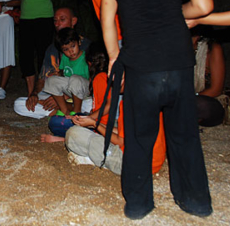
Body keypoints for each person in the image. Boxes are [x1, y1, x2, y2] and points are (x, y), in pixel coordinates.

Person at [100, 0, 213, 219]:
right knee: (185, 135)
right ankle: (196, 202)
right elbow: (204, 6)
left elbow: (108, 17)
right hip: (177, 62)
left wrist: (112, 56)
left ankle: (137, 205)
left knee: (138, 138)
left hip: (140, 66)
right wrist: (175, 13)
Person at [66, 48, 166, 176]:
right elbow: (126, 134)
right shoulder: (147, 94)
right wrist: (92, 123)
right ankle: (96, 158)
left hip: (133, 164)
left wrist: (96, 125)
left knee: (74, 135)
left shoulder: (130, 102)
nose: (111, 80)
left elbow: (120, 141)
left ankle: (96, 160)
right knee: (92, 132)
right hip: (153, 162)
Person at [13, 7, 91, 119]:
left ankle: (71, 110)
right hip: (63, 92)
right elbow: (43, 79)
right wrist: (34, 94)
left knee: (91, 101)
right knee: (20, 103)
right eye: (55, 20)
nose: (57, 24)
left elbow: (95, 80)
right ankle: (65, 110)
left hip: (83, 94)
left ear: (73, 21)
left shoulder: (87, 47)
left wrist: (61, 98)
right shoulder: (52, 49)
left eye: (62, 19)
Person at [191, 27, 230, 126]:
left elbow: (216, 89)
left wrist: (186, 99)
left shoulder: (212, 48)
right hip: (179, 99)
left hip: (207, 99)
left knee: (201, 105)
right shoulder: (172, 45)